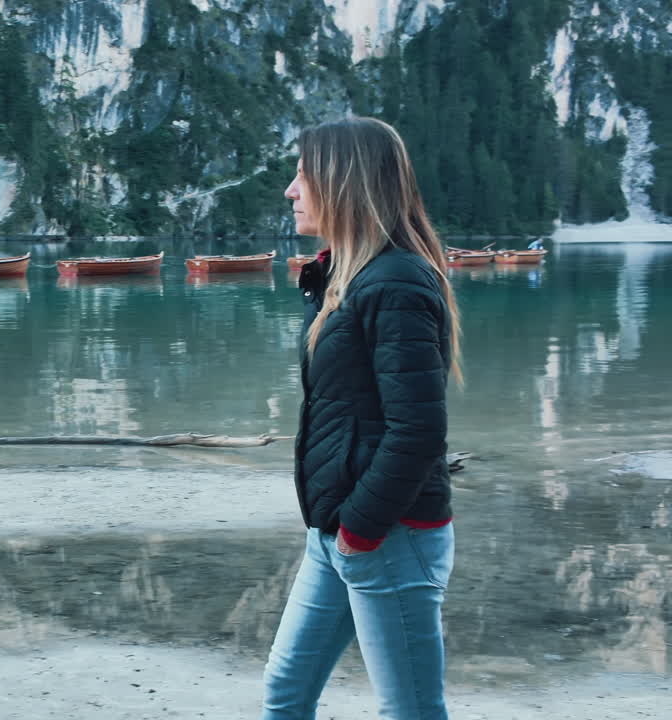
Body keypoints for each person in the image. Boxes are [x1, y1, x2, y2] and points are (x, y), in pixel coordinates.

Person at [263, 116, 461, 720]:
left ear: (342, 183)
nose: (291, 191)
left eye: (303, 175)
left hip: (386, 535)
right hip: (338, 532)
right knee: (286, 696)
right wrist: (342, 531)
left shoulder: (395, 282)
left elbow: (419, 429)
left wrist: (360, 531)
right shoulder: (342, 278)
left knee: (411, 712)